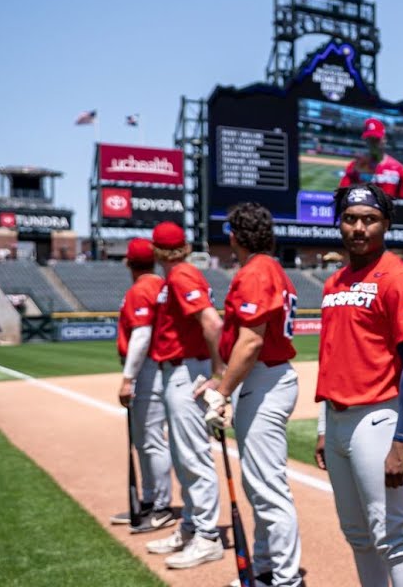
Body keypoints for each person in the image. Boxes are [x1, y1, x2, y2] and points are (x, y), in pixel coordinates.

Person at [313, 184, 403, 586]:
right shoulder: (334, 284)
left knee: (393, 535)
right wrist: (323, 426)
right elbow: (332, 358)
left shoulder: (401, 279)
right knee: (358, 535)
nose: (359, 228)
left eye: (369, 219)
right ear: (339, 223)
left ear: (386, 224)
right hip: (338, 420)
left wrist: (402, 442)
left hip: (379, 418)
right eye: (350, 219)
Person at [193, 203, 305, 587]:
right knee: (259, 487)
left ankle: (286, 579)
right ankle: (263, 568)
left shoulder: (256, 272)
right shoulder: (269, 268)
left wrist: (221, 392)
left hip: (265, 381)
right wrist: (220, 383)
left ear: (234, 237)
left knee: (268, 490)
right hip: (262, 380)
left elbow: (251, 342)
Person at [144, 221, 228, 570]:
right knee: (183, 457)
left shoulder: (182, 275)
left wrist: (219, 374)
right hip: (176, 371)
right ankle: (192, 527)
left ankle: (208, 537)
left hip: (187, 371)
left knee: (193, 457)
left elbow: (213, 323)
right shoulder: (177, 275)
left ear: (156, 250)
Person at [110, 237, 175, 534]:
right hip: (156, 367)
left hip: (150, 368)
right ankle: (149, 501)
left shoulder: (142, 288)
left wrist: (128, 378)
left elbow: (141, 336)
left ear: (128, 263)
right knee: (145, 441)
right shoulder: (159, 285)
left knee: (150, 441)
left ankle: (160, 506)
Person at [340, 117, 403, 200]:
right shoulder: (354, 166)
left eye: (376, 139)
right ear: (366, 141)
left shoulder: (397, 168)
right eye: (370, 139)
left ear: (384, 139)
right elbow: (342, 196)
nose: (373, 143)